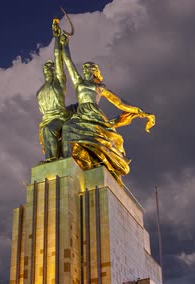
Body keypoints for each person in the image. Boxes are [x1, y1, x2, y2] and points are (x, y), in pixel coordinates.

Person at [57, 32, 155, 182]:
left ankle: (100, 163)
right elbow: (68, 63)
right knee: (67, 128)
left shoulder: (100, 87)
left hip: (95, 116)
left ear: (94, 71)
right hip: (81, 113)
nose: (84, 70)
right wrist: (64, 44)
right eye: (84, 68)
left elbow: (120, 103)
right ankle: (65, 163)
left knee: (100, 141)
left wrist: (138, 110)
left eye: (88, 68)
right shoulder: (79, 82)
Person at [36, 19, 70, 162]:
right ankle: (52, 159)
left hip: (60, 118)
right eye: (45, 67)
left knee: (49, 129)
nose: (48, 68)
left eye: (51, 67)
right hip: (46, 120)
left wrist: (56, 38)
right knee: (46, 129)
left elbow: (57, 57)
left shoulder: (59, 81)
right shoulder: (40, 91)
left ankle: (52, 160)